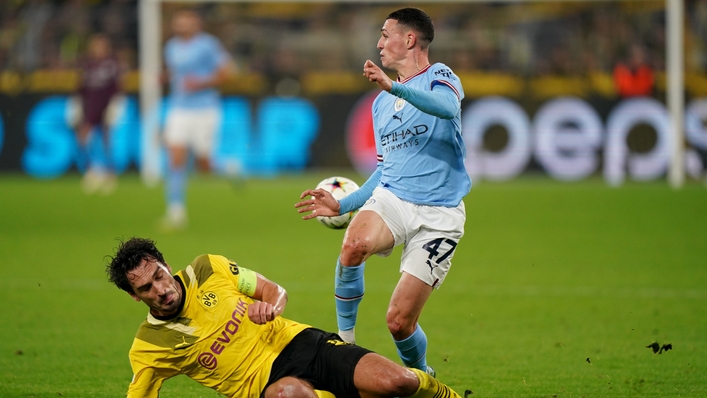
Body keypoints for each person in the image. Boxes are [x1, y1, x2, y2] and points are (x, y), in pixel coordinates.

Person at [295, 8, 470, 377]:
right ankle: (344, 345)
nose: (378, 43)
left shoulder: (440, 76)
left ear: (409, 39)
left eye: (385, 34)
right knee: (353, 245)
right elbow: (383, 171)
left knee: (399, 322)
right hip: (395, 198)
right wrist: (342, 204)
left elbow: (447, 107)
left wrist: (396, 86)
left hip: (441, 214)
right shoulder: (380, 105)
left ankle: (421, 374)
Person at [105, 237, 468, 398]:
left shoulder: (207, 268)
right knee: (292, 395)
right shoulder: (149, 346)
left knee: (399, 383)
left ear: (167, 265)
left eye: (159, 276)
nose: (160, 289)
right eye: (147, 289)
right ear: (134, 297)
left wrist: (272, 306)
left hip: (302, 343)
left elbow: (272, 290)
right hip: (267, 387)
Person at [161, 9, 233, 229]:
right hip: (178, 109)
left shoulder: (208, 45)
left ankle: (230, 168)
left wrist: (200, 83)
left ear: (197, 24)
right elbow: (176, 75)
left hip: (205, 109)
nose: (182, 25)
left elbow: (227, 72)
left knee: (205, 166)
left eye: (187, 22)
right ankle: (175, 211)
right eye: (179, 22)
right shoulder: (170, 47)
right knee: (175, 157)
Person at [76, 33, 123, 194]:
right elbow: (81, 86)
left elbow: (119, 85)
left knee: (106, 138)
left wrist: (117, 103)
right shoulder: (87, 64)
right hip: (89, 105)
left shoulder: (112, 64)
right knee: (84, 136)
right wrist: (76, 102)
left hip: (107, 104)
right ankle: (91, 170)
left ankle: (110, 172)